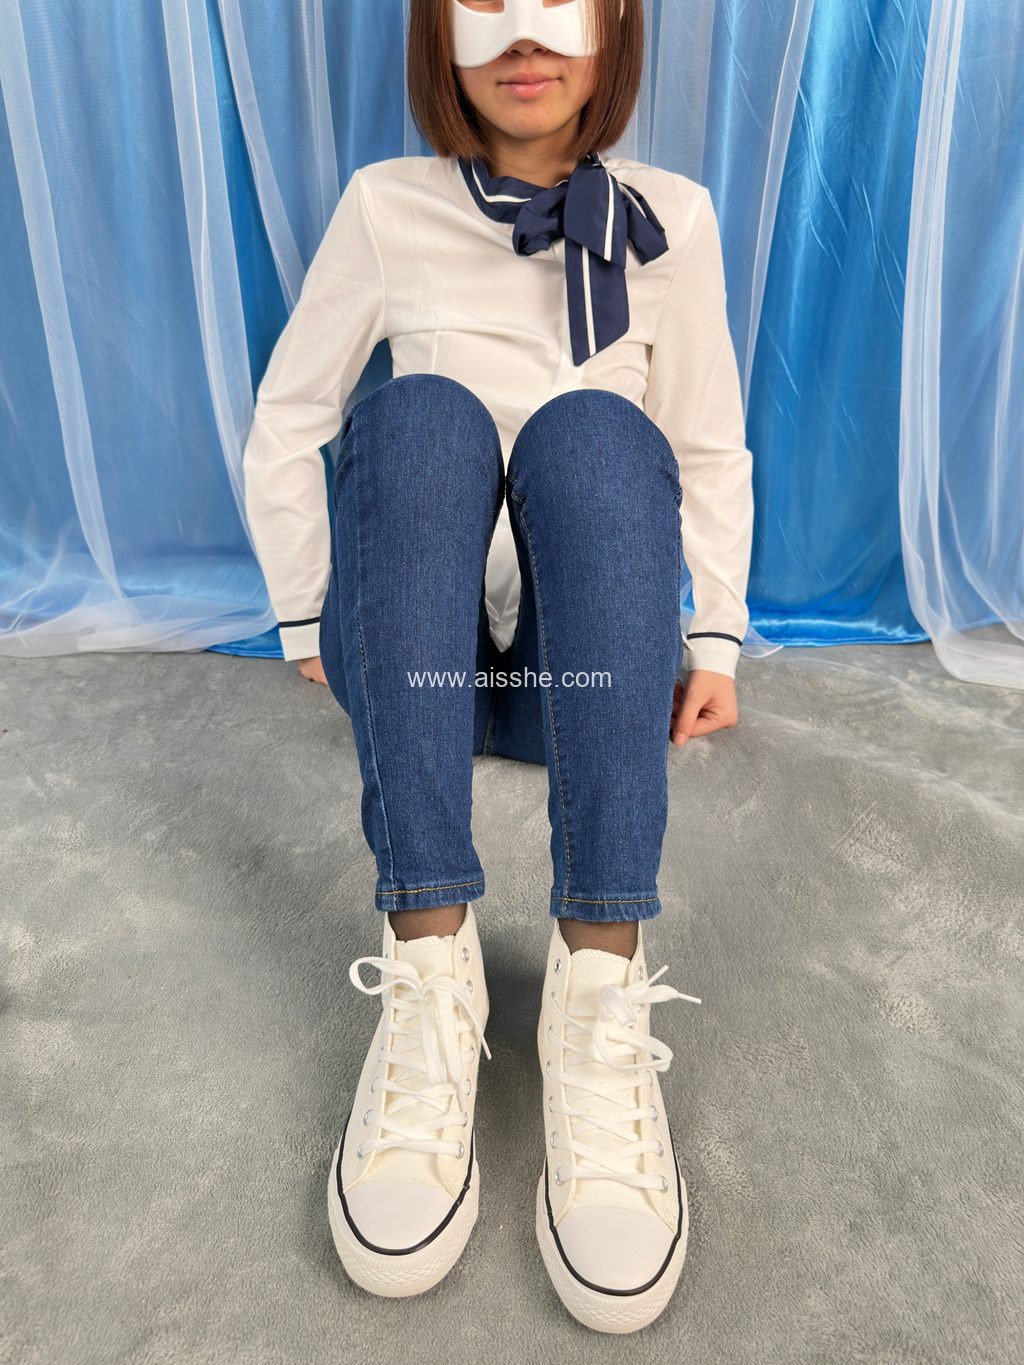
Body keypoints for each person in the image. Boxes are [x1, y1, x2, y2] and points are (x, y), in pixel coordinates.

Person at [241, 0, 753, 1335]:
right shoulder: (386, 206)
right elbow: (290, 416)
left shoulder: (675, 219)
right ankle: (429, 959)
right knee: (416, 413)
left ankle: (599, 986)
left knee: (598, 434)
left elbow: (707, 445)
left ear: (613, 26)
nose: (524, 35)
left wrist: (716, 636)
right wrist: (308, 617)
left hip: (589, 684)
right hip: (428, 670)